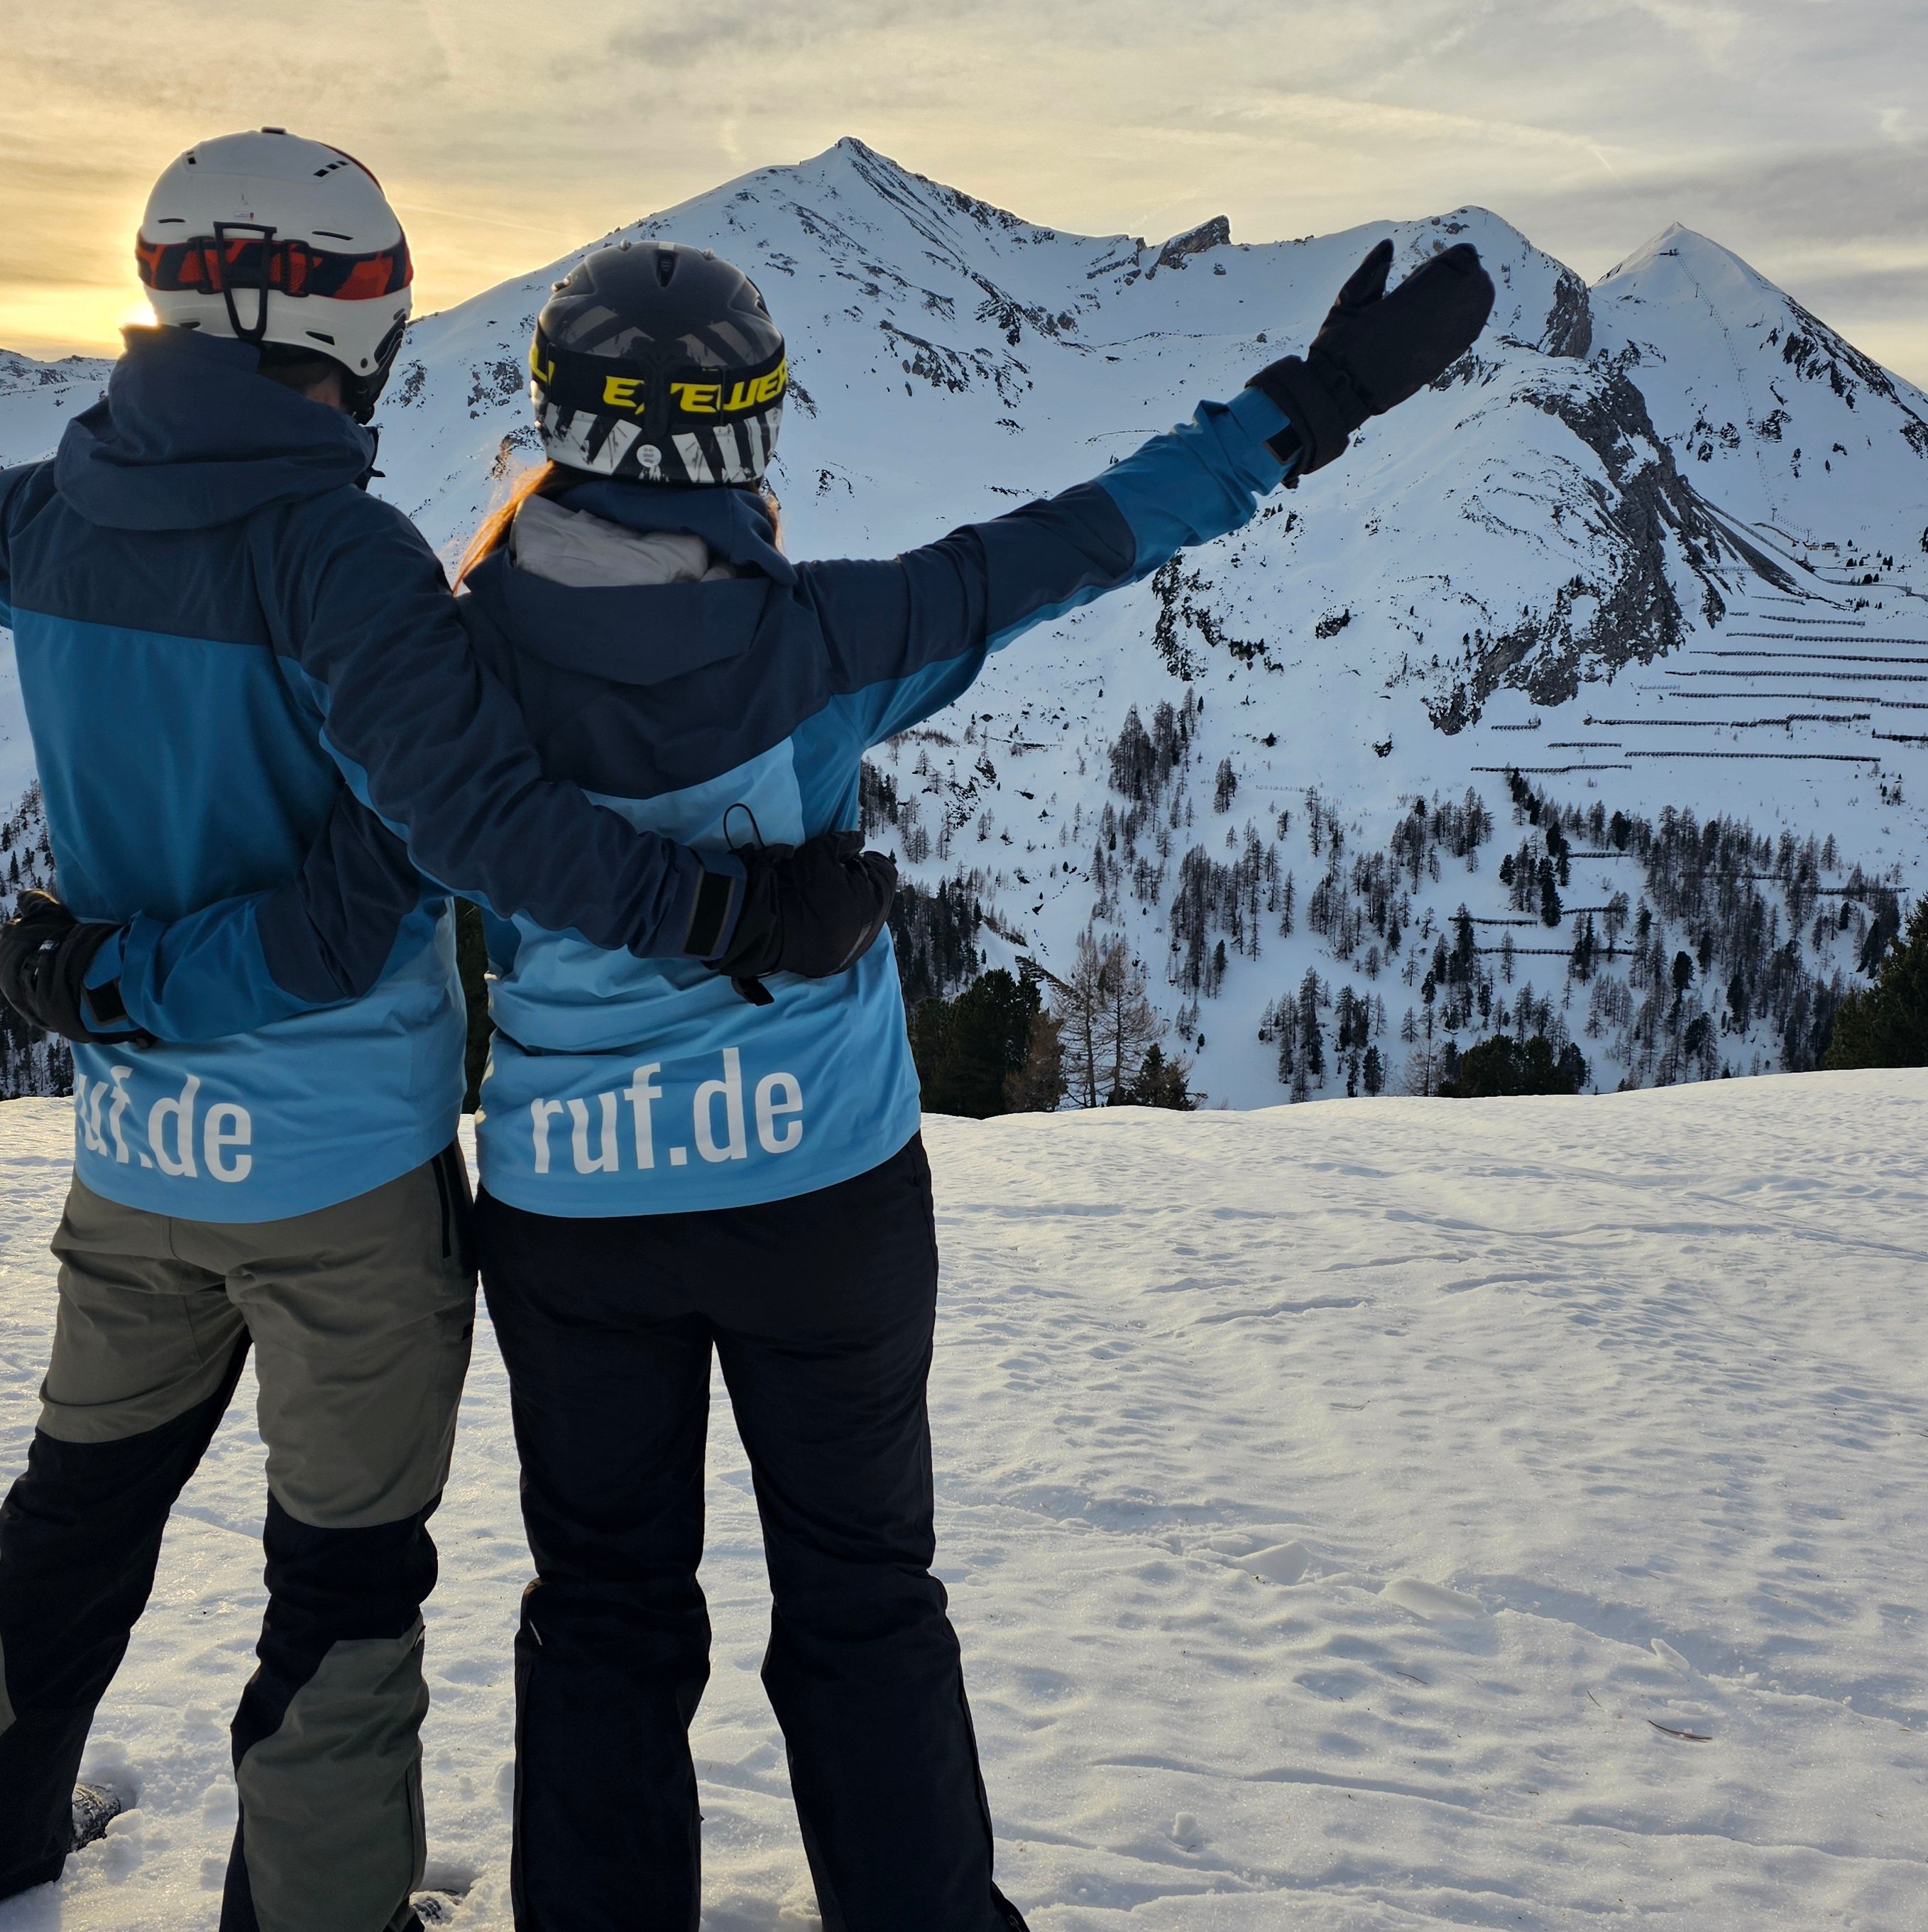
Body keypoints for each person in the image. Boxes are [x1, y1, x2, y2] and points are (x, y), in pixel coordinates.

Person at [104, 228, 1496, 1927]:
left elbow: (323, 915)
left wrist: (100, 978)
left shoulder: (440, 668)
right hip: (821, 1196)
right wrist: (1316, 400)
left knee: (607, 1612)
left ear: (552, 419)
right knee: (864, 1599)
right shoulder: (834, 639)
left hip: (576, 1218)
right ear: (752, 434)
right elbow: (1080, 537)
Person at [0, 129, 898, 1932]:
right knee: (345, 1577)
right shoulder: (344, 561)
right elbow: (395, 880)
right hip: (343, 1178)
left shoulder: (52, 516)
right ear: (345, 315)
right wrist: (736, 916)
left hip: (134, 1164)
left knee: (75, 1507)